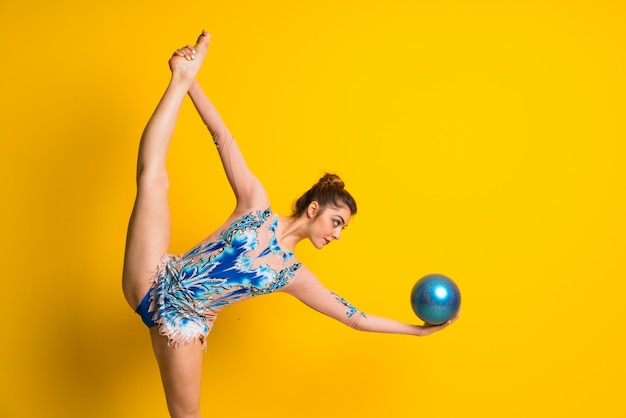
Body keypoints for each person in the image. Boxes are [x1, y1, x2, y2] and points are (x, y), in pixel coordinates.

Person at [122, 30, 459, 418]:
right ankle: (178, 79)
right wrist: (192, 80)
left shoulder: (293, 275)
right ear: (313, 209)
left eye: (343, 229)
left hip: (184, 326)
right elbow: (222, 137)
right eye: (336, 221)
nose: (336, 233)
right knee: (154, 180)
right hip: (154, 280)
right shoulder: (255, 204)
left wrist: (417, 331)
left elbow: (356, 318)